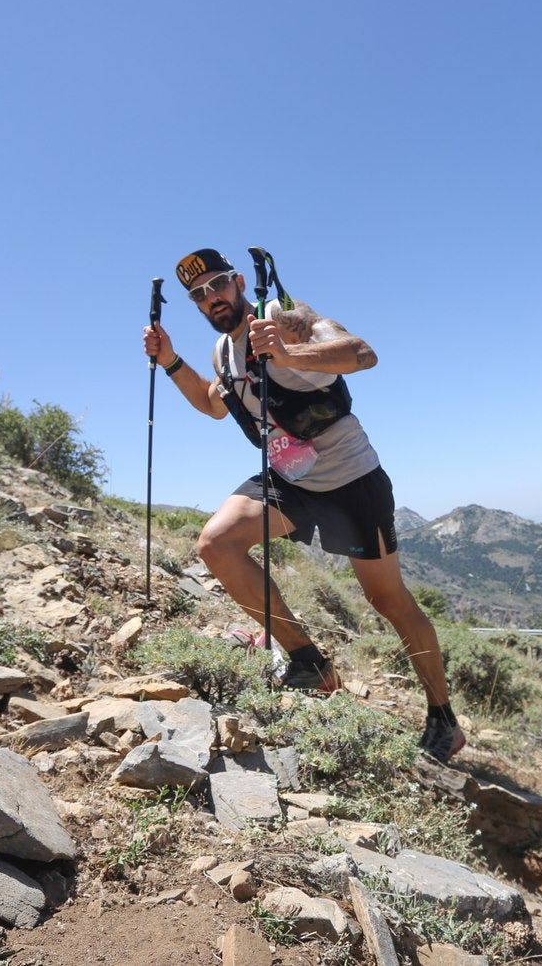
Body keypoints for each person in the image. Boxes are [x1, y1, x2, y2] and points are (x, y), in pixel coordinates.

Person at [143, 248, 464, 763]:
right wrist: (171, 361)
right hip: (290, 479)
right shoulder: (222, 352)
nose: (211, 298)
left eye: (218, 285)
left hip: (351, 478)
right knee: (216, 544)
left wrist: (290, 355)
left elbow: (361, 353)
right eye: (198, 295)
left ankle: (443, 717)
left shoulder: (286, 317)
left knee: (387, 601)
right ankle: (308, 661)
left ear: (239, 281)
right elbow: (211, 404)